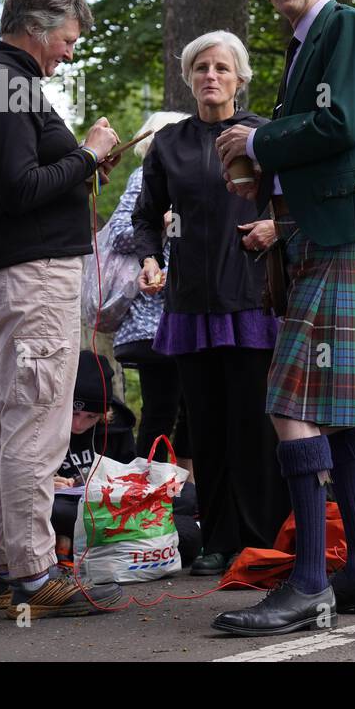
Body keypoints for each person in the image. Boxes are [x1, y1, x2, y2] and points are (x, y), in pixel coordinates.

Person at [209, 0, 355, 634]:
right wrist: (266, 172)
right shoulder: (305, 44)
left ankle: (308, 584)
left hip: (341, 233)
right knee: (340, 409)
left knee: (287, 397)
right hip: (322, 232)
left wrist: (258, 139)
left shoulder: (346, 26)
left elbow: (342, 123)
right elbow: (325, 137)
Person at [0, 0, 124, 618]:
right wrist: (88, 154)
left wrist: (81, 165)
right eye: (69, 38)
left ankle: (9, 570)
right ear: (38, 26)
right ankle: (32, 573)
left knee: (12, 422)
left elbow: (15, 179)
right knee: (37, 419)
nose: (70, 53)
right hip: (36, 274)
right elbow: (23, 186)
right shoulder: (5, 79)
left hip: (18, 273)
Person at [132, 31, 288, 577]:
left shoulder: (265, 136)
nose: (211, 76)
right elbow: (145, 215)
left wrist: (277, 226)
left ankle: (264, 537)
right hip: (190, 305)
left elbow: (296, 200)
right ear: (189, 77)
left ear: (240, 78)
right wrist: (150, 259)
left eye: (222, 67)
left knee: (254, 424)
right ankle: (219, 540)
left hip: (252, 299)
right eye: (201, 68)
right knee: (205, 429)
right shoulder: (170, 142)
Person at [48, 352, 201, 572]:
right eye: (74, 413)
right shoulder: (44, 426)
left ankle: (109, 541)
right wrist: (47, 482)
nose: (79, 424)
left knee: (186, 494)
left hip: (118, 506)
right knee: (54, 510)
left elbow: (131, 474)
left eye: (91, 417)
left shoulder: (116, 427)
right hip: (73, 508)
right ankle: (138, 538)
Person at [106, 111, 193, 474]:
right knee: (161, 408)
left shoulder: (198, 178)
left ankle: (190, 497)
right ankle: (144, 493)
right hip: (153, 322)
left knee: (193, 411)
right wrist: (161, 221)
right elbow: (119, 234)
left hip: (195, 310)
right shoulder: (143, 178)